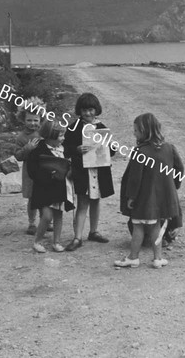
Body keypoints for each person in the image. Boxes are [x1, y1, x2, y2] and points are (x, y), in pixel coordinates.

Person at [115, 113, 183, 269]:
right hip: (162, 197)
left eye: (136, 130)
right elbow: (179, 168)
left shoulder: (140, 152)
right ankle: (158, 258)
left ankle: (133, 257)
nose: (134, 133)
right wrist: (173, 186)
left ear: (145, 132)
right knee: (156, 226)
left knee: (138, 226)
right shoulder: (169, 148)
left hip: (144, 198)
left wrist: (131, 197)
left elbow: (134, 178)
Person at [63, 93, 114, 251]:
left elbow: (110, 152)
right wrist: (76, 149)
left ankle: (93, 231)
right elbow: (65, 149)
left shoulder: (102, 128)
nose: (88, 113)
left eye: (91, 110)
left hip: (99, 171)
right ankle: (77, 237)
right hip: (82, 172)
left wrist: (111, 148)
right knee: (83, 202)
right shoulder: (73, 128)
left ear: (96, 110)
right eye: (84, 110)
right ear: (80, 110)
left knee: (96, 201)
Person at [26, 120, 74, 253]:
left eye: (63, 135)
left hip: (60, 187)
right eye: (60, 136)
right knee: (47, 215)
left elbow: (71, 164)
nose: (63, 138)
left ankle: (56, 241)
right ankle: (37, 241)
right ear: (49, 136)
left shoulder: (64, 149)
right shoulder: (39, 150)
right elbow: (32, 170)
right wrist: (47, 174)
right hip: (45, 189)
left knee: (58, 214)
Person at [14, 97, 48, 235]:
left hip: (44, 169)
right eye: (29, 120)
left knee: (44, 196)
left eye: (36, 120)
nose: (32, 123)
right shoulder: (21, 137)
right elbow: (18, 156)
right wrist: (28, 148)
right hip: (30, 171)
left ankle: (45, 221)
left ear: (41, 119)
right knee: (32, 197)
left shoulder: (44, 133)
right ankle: (32, 223)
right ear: (23, 119)